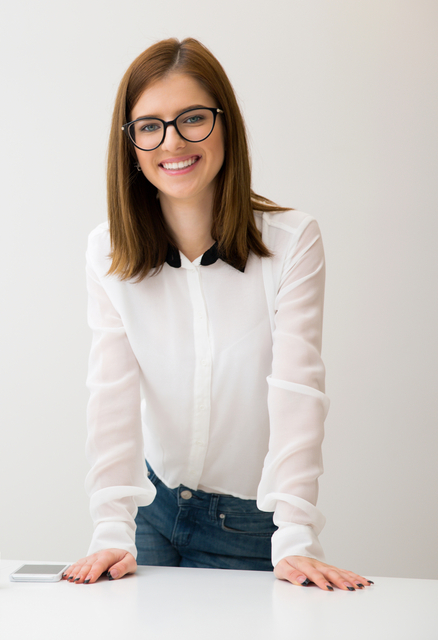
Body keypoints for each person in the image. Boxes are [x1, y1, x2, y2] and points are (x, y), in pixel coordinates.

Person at [63, 38, 370, 592]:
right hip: (150, 516)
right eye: (150, 126)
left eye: (193, 119)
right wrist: (110, 526)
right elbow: (110, 395)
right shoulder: (106, 251)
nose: (173, 141)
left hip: (248, 524)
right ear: (130, 143)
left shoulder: (292, 242)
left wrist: (295, 534)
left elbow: (298, 393)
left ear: (225, 124)